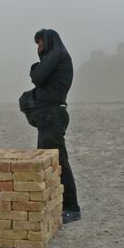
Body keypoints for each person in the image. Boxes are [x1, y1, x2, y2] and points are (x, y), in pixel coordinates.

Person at [28, 29, 81, 223]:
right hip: (50, 114)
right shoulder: (56, 57)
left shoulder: (57, 56)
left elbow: (37, 77)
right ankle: (58, 203)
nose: (39, 48)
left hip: (53, 115)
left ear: (49, 41)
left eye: (40, 43)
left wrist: (35, 66)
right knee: (50, 160)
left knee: (57, 161)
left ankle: (72, 207)